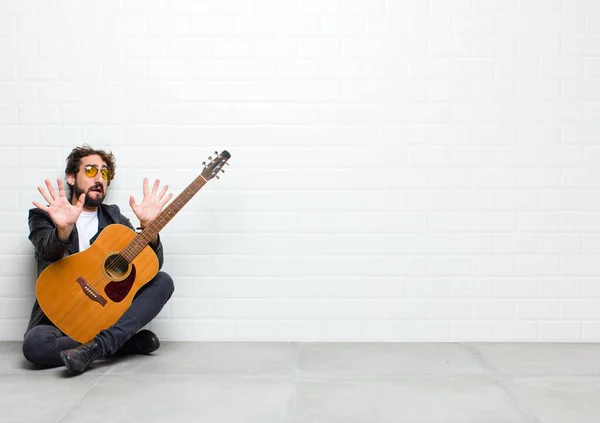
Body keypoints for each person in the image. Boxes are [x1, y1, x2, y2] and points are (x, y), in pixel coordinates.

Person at [22, 145, 175, 374]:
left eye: (104, 173)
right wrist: (63, 231)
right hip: (59, 316)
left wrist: (149, 229)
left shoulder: (114, 218)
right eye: (91, 171)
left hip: (103, 315)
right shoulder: (45, 215)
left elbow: (148, 268)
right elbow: (47, 250)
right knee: (35, 345)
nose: (100, 178)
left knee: (163, 281)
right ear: (71, 177)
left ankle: (96, 347)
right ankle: (122, 344)